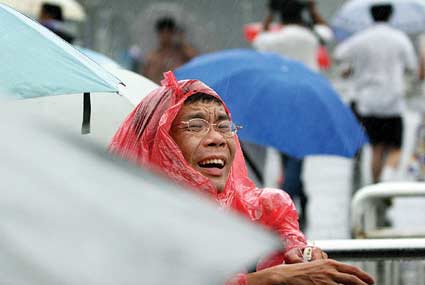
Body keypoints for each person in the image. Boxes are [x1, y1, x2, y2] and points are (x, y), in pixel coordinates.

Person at [110, 71, 374, 285]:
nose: (217, 139)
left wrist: (298, 253)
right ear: (158, 142)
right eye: (196, 126)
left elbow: (278, 218)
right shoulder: (128, 222)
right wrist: (270, 279)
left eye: (224, 126)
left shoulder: (255, 210)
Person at [252, 0, 333, 229]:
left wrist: (269, 15)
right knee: (298, 154)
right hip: (306, 100)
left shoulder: (272, 39)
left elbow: (258, 38)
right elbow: (327, 32)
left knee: (286, 154)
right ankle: (293, 196)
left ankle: (291, 198)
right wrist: (314, 11)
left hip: (277, 101)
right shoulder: (310, 37)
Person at [334, 4, 418, 183]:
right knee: (396, 148)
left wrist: (353, 67)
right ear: (391, 15)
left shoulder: (361, 38)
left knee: (376, 147)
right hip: (393, 102)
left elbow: (339, 54)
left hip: (367, 103)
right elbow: (411, 66)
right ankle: (388, 178)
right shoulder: (400, 39)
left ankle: (376, 184)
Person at [142, 17, 198, 84]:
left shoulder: (181, 52)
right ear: (159, 34)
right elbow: (146, 77)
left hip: (178, 90)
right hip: (159, 89)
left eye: (168, 32)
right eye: (163, 32)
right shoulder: (153, 57)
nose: (165, 36)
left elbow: (196, 60)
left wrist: (182, 41)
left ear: (173, 33)